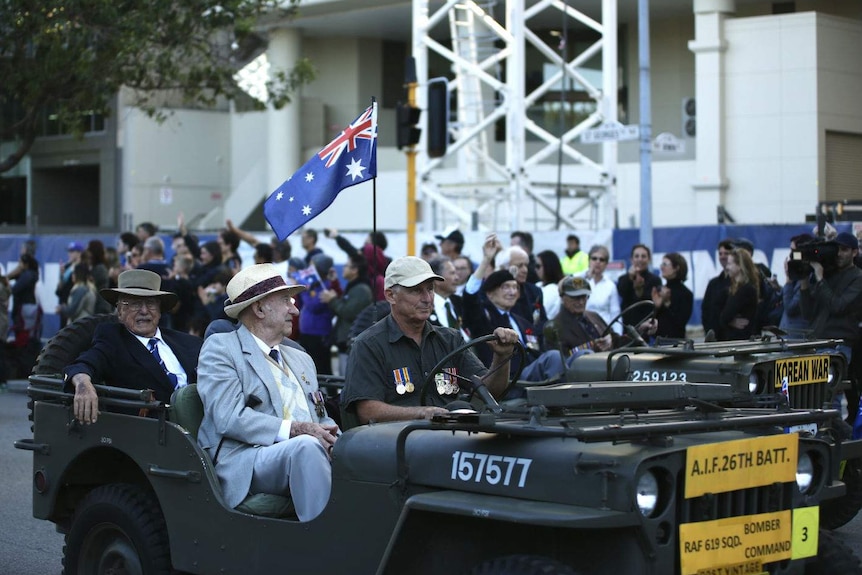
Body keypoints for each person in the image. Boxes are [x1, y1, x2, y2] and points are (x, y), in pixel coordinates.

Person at [196, 264, 339, 522]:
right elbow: (228, 417)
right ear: (259, 308)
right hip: (247, 458)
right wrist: (297, 429)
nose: (295, 309)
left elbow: (320, 417)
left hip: (306, 450)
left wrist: (338, 441)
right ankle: (326, 542)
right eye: (286, 300)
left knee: (365, 452)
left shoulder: (301, 358)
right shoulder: (221, 348)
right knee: (305, 447)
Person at [340, 256, 519, 426]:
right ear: (390, 296)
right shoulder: (369, 344)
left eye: (430, 289)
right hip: (398, 442)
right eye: (416, 290)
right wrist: (423, 413)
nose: (427, 298)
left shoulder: (450, 339)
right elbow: (368, 412)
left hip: (452, 437)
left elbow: (490, 392)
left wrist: (502, 357)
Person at [64, 269, 203, 424]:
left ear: (160, 310)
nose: (144, 311)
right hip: (155, 434)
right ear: (120, 311)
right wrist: (83, 384)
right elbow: (84, 363)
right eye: (135, 304)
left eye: (150, 303)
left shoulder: (189, 342)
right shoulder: (113, 339)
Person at [320, 252, 373, 375]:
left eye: (346, 266)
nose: (343, 268)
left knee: (348, 377)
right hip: (345, 341)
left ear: (355, 270)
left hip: (351, 343)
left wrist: (332, 300)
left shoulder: (361, 289)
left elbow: (348, 311)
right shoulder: (353, 286)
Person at [297, 253, 336, 375]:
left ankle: (330, 393)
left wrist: (303, 291)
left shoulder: (326, 286)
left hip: (319, 334)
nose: (309, 270)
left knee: (322, 368)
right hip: (306, 333)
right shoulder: (314, 285)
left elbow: (314, 305)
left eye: (312, 267)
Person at [716, 248, 760, 341]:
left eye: (730, 264)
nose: (727, 267)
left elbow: (725, 317)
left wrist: (727, 321)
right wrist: (731, 322)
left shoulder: (745, 290)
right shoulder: (735, 288)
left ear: (740, 265)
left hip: (742, 342)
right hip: (735, 340)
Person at [616, 243, 662, 327]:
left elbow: (651, 304)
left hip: (647, 326)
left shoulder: (655, 280)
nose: (640, 259)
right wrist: (630, 278)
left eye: (643, 256)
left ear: (649, 259)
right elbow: (622, 292)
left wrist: (639, 289)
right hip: (627, 326)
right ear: (631, 259)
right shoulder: (623, 279)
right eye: (636, 256)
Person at [581, 245, 621, 335]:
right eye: (594, 258)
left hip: (603, 332)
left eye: (602, 260)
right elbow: (566, 281)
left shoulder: (610, 286)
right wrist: (586, 274)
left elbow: (615, 314)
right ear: (589, 261)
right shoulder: (582, 281)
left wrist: (618, 337)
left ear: (606, 264)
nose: (598, 262)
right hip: (583, 331)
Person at [652, 252, 694, 339]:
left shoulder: (686, 293)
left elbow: (680, 322)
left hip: (676, 343)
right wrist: (657, 306)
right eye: (661, 264)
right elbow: (655, 321)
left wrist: (667, 304)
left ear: (676, 268)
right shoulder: (660, 290)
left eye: (665, 264)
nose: (661, 267)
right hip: (657, 342)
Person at [428, 256, 469, 341]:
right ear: (437, 280)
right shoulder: (425, 306)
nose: (457, 278)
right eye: (452, 273)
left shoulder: (458, 302)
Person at [780, 233, 814, 334]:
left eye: (793, 251)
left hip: (797, 337)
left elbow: (790, 307)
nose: (791, 255)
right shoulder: (797, 275)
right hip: (788, 336)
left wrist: (788, 279)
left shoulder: (808, 277)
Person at [701, 238, 735, 336]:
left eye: (726, 253)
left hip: (733, 339)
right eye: (720, 254)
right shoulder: (713, 283)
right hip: (715, 338)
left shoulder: (740, 283)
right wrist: (708, 330)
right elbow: (706, 309)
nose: (723, 257)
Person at [534, 250, 564, 321]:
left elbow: (537, 313)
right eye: (535, 266)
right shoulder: (538, 285)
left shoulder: (552, 290)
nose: (535, 269)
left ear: (548, 267)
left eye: (538, 266)